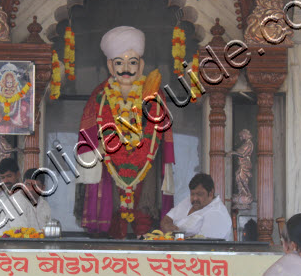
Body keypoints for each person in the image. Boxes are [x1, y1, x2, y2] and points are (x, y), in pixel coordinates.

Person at [74, 26, 175, 239]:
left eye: (132, 62)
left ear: (141, 65)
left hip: (147, 161)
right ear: (111, 66)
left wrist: (145, 145)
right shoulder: (100, 95)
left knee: (145, 212)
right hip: (108, 163)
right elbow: (88, 130)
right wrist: (96, 149)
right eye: (119, 62)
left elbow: (161, 124)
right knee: (112, 214)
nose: (126, 69)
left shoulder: (152, 91)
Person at [160, 173, 232, 240]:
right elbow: (166, 219)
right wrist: (167, 226)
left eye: (199, 194)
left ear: (211, 193)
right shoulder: (188, 200)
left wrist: (176, 236)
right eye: (192, 194)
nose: (194, 198)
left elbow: (203, 244)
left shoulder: (217, 213)